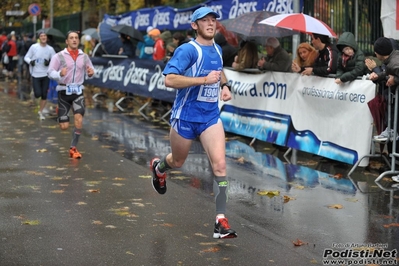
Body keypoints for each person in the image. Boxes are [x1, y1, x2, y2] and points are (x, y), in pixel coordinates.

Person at [150, 6, 237, 239]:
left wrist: (224, 86)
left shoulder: (217, 49)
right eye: (204, 20)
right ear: (194, 25)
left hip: (209, 117)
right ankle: (159, 168)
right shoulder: (188, 50)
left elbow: (219, 71)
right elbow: (169, 80)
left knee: (220, 166)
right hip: (185, 117)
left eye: (213, 20)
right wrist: (202, 80)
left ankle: (221, 221)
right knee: (177, 161)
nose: (210, 24)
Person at [47, 31, 95, 159]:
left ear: (78, 41)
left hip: (78, 92)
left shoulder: (84, 57)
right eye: (71, 38)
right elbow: (50, 72)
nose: (74, 40)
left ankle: (73, 148)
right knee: (64, 126)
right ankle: (60, 111)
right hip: (63, 91)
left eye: (76, 38)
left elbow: (90, 70)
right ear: (67, 41)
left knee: (78, 119)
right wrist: (59, 74)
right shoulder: (59, 56)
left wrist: (90, 73)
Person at [368, 37, 399, 183]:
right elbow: (387, 73)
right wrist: (377, 76)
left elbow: (393, 73)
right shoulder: (391, 60)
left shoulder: (394, 62)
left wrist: (395, 80)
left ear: (380, 53)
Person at [24, 31, 56, 120]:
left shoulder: (50, 49)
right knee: (38, 94)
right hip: (35, 74)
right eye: (41, 36)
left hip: (46, 75)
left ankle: (40, 111)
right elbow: (26, 57)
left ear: (47, 38)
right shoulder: (34, 47)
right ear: (39, 38)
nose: (43, 37)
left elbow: (55, 60)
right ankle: (35, 92)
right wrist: (31, 62)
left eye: (45, 36)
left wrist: (49, 63)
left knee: (44, 95)